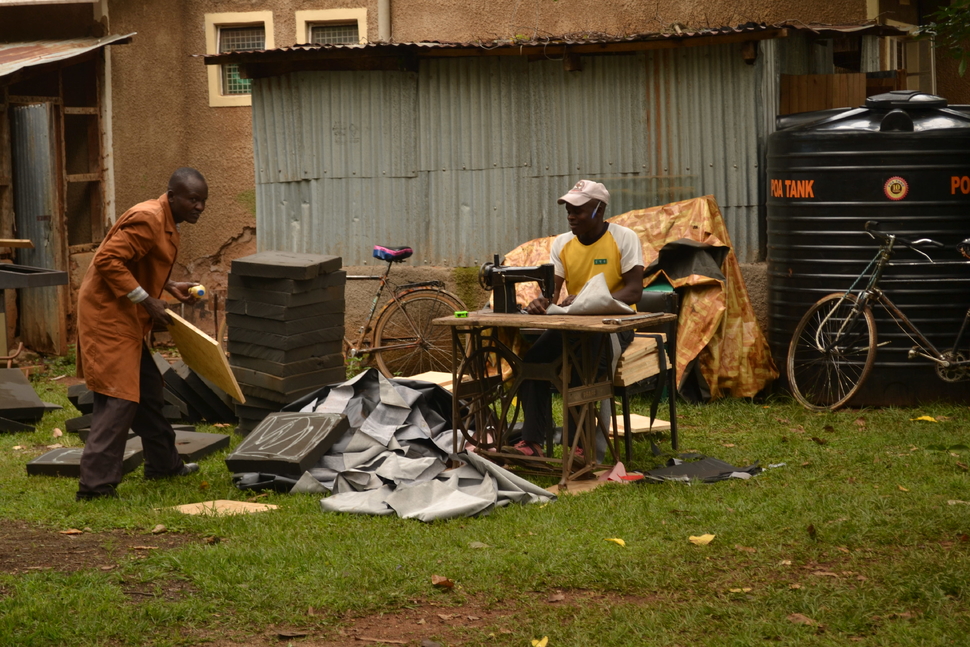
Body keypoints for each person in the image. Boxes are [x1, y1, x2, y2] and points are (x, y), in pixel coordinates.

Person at [75, 168, 208, 501]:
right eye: (193, 199)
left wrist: (168, 286)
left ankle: (164, 464)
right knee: (118, 397)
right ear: (173, 195)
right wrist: (146, 300)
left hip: (127, 316)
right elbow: (108, 260)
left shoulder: (165, 220)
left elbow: (137, 264)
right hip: (108, 316)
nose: (199, 207)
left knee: (148, 390)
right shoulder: (148, 219)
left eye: (203, 201)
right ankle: (95, 487)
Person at [505, 180, 644, 463]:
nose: (571, 215)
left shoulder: (624, 238)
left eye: (579, 210)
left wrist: (586, 299)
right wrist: (542, 302)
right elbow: (552, 293)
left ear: (600, 209)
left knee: (582, 369)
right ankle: (532, 440)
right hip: (575, 324)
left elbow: (634, 290)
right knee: (532, 363)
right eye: (569, 210)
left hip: (614, 325)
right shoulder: (562, 243)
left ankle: (581, 445)